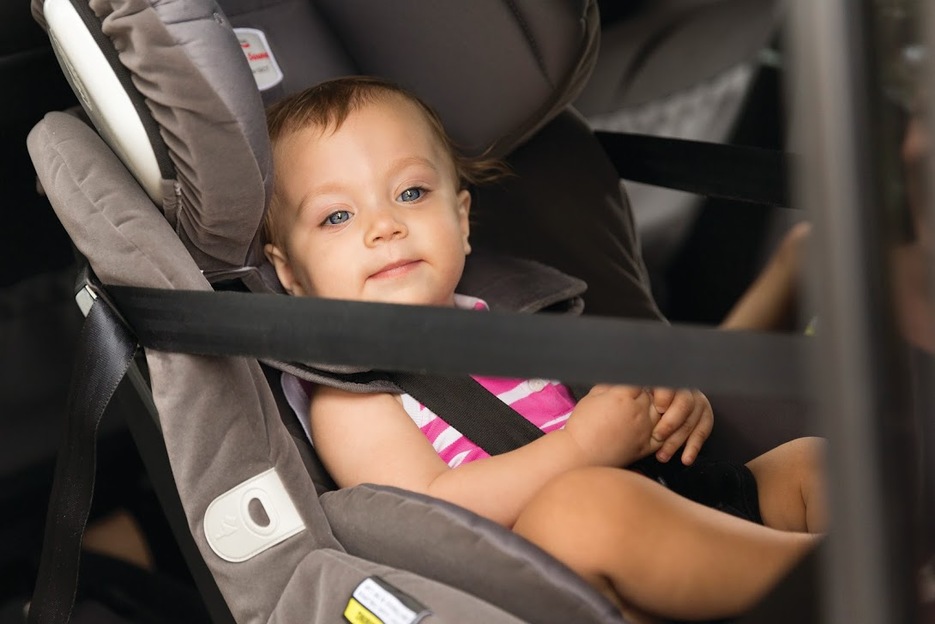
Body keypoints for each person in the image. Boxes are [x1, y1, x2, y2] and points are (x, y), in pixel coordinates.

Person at [262, 76, 826, 623]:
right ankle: (836, 584)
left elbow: (609, 405)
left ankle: (865, 568)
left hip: (670, 509)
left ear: (460, 220)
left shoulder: (514, 317)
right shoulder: (350, 393)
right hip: (556, 575)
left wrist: (668, 407)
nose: (384, 225)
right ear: (289, 272)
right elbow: (430, 515)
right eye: (337, 215)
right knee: (582, 508)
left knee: (812, 461)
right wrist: (582, 446)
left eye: (411, 193)